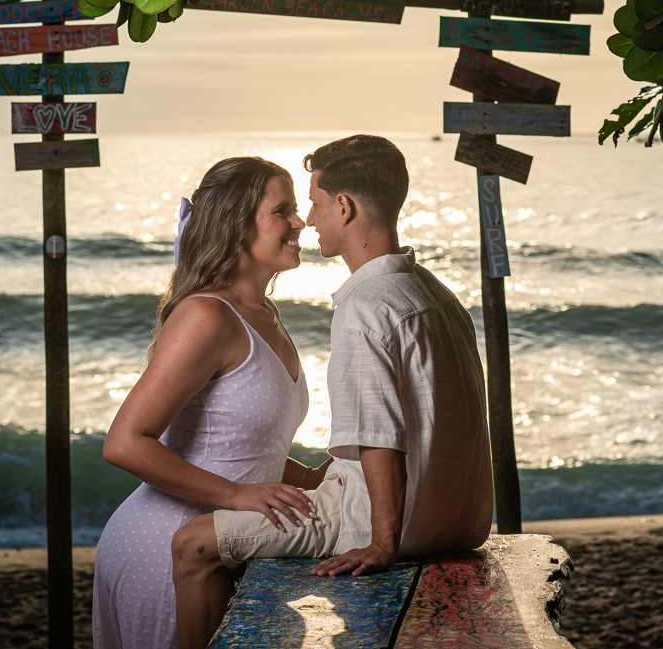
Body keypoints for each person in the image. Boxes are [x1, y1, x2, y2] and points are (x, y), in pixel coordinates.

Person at [172, 135, 494, 648]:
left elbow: (378, 437)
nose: (309, 220)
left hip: (380, 521)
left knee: (192, 545)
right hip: (460, 521)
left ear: (344, 207)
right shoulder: (436, 293)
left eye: (316, 204)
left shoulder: (364, 306)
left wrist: (381, 543)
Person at [92, 157, 331, 649]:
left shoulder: (264, 312)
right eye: (281, 210)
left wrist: (313, 479)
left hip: (224, 540)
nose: (299, 221)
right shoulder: (205, 315)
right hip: (166, 547)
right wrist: (239, 496)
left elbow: (240, 444)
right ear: (237, 225)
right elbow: (124, 444)